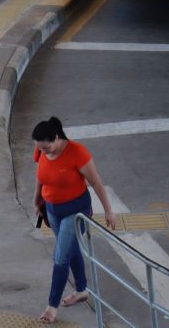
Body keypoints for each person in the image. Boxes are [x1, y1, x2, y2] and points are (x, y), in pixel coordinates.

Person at [31, 117, 116, 325]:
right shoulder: (42, 150)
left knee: (61, 256)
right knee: (70, 249)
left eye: (46, 147)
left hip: (76, 210)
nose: (43, 152)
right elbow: (40, 177)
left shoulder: (77, 152)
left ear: (57, 138)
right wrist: (36, 201)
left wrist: (108, 211)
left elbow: (95, 182)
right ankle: (81, 290)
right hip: (52, 210)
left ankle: (52, 306)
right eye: (40, 148)